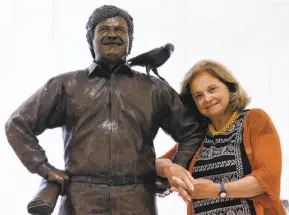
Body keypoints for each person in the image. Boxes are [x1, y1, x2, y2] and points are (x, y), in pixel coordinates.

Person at [4, 5, 205, 215]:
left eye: (120, 30)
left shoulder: (155, 89)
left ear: (130, 41)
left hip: (137, 201)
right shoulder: (66, 85)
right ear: (91, 40)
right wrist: (44, 169)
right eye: (103, 29)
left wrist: (174, 172)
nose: (112, 34)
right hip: (80, 201)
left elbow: (191, 131)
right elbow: (17, 124)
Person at [156, 60, 286, 214]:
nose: (207, 98)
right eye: (198, 95)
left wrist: (216, 190)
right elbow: (153, 165)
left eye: (212, 89)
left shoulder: (254, 120)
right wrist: (169, 168)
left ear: (229, 87)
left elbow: (267, 179)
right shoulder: (197, 135)